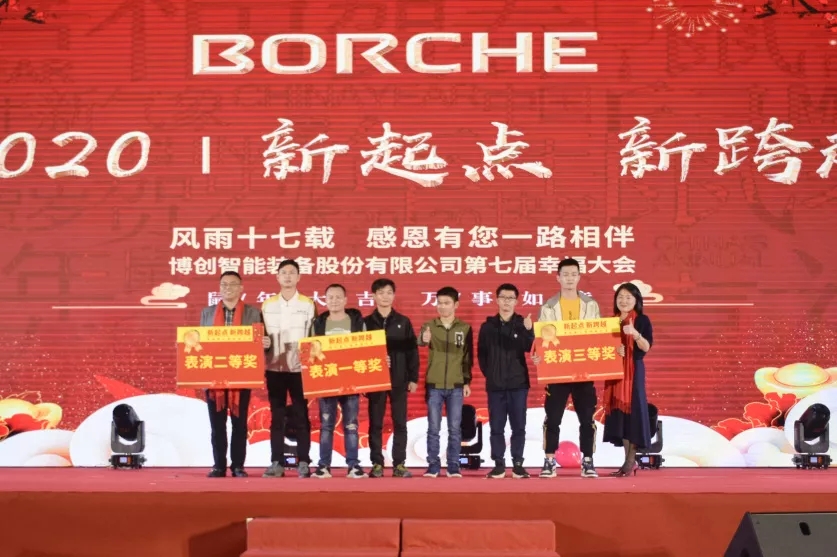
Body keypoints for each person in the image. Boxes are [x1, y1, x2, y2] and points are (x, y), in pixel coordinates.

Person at [533, 258, 601, 479]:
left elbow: (598, 336)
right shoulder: (548, 307)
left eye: (573, 274)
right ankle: (549, 460)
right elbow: (543, 340)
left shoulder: (591, 305)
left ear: (579, 277)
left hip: (583, 370)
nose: (569, 278)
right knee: (553, 418)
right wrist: (538, 355)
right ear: (558, 277)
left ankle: (588, 461)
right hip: (558, 371)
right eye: (565, 274)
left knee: (587, 418)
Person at [200, 271, 269, 478]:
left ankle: (238, 465)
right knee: (217, 425)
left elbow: (260, 343)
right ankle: (219, 465)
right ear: (219, 288)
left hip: (242, 376)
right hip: (214, 377)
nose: (228, 288)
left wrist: (266, 343)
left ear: (241, 288)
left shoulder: (253, 313)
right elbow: (201, 343)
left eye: (232, 284)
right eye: (224, 284)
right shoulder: (207, 313)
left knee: (239, 425)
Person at [261, 259, 316, 478]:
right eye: (283, 272)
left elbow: (314, 337)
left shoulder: (308, 304)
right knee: (277, 416)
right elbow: (260, 336)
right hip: (274, 368)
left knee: (301, 415)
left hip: (299, 369)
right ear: (277, 277)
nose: (288, 276)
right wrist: (262, 343)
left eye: (292, 272)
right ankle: (276, 462)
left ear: (299, 277)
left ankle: (303, 461)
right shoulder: (267, 305)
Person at [310, 283, 368, 479]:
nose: (334, 301)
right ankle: (323, 466)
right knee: (326, 425)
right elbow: (311, 352)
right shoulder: (318, 323)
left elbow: (366, 349)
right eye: (330, 297)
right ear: (325, 300)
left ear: (345, 300)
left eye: (338, 297)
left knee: (351, 425)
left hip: (351, 381)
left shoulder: (357, 322)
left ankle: (353, 466)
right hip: (327, 381)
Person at [478, 283, 535, 479]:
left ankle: (518, 464)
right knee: (496, 427)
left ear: (516, 301)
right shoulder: (488, 327)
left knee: (519, 426)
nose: (506, 302)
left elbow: (530, 348)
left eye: (510, 298)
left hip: (518, 384)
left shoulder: (522, 323)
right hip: (495, 386)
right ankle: (499, 464)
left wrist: (529, 330)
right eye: (503, 298)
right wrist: (492, 374)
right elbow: (482, 355)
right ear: (497, 300)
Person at [363, 278, 419, 478]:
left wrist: (413, 378)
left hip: (399, 379)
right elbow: (359, 353)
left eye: (388, 292)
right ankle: (377, 463)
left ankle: (399, 464)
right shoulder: (366, 323)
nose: (385, 296)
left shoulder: (403, 322)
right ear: (373, 296)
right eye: (380, 293)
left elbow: (412, 352)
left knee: (400, 422)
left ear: (394, 296)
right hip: (374, 380)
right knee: (375, 422)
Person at [418, 286, 473, 478]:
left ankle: (453, 466)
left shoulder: (464, 328)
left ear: (456, 305)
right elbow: (421, 342)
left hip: (456, 386)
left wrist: (466, 382)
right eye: (439, 303)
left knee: (454, 429)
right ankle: (433, 465)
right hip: (434, 385)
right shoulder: (429, 326)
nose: (442, 306)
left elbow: (467, 357)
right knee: (433, 428)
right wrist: (424, 339)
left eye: (446, 303)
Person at [603, 282, 654, 477]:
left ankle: (630, 462)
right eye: (620, 297)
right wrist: (614, 351)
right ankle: (627, 461)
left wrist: (635, 334)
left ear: (636, 300)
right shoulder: (610, 321)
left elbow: (646, 347)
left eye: (628, 297)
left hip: (633, 373)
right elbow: (601, 349)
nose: (623, 301)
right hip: (614, 373)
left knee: (633, 414)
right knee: (621, 417)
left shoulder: (641, 320)